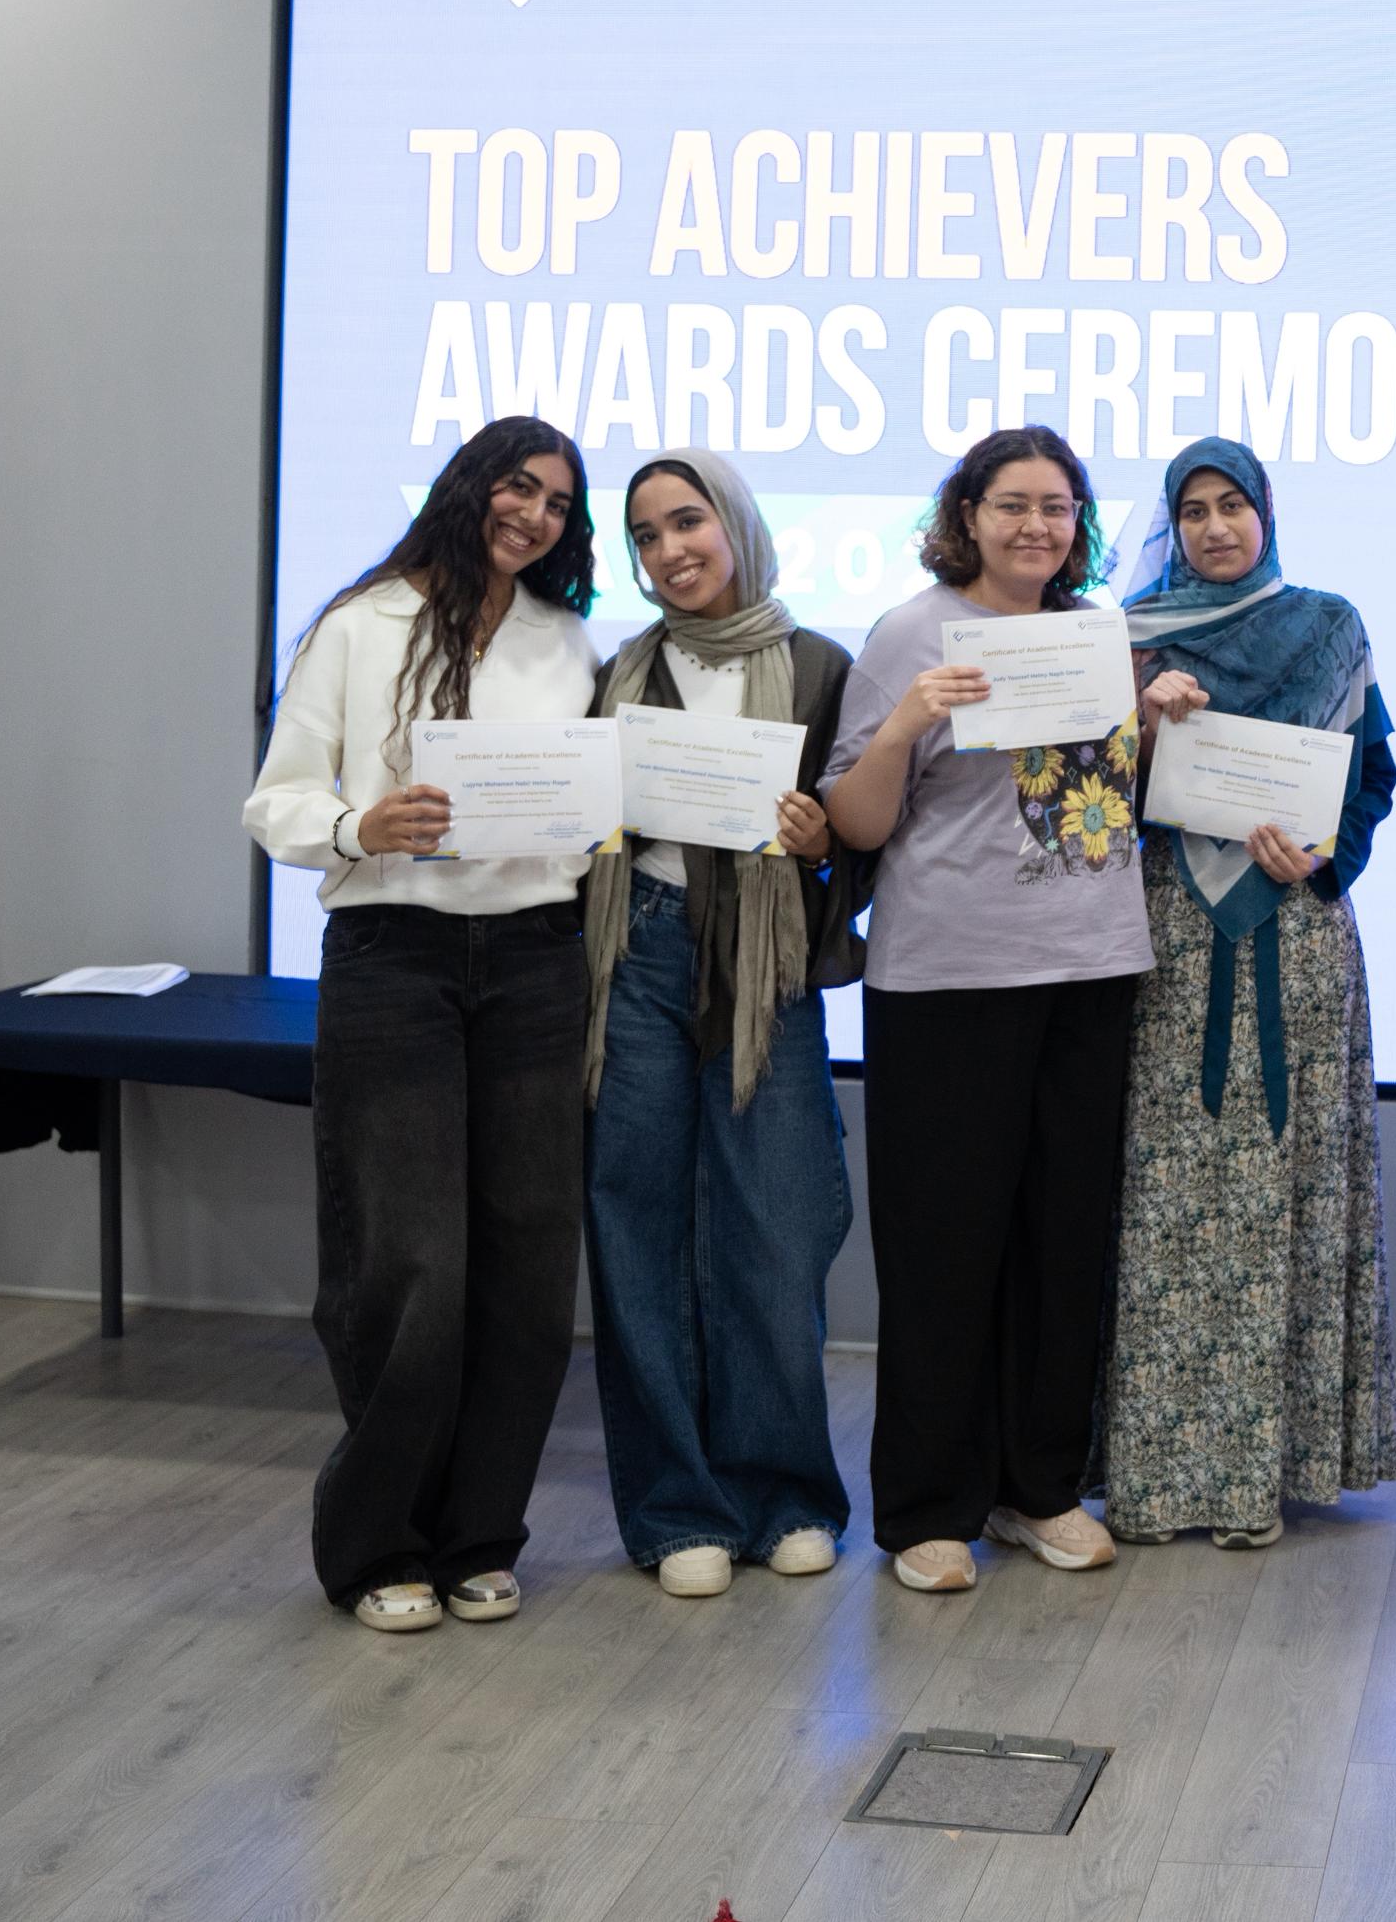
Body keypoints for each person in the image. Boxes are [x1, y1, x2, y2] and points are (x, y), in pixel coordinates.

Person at [240, 417, 600, 1636]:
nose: (534, 514)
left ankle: (479, 1536)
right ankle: (377, 1541)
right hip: (395, 957)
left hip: (538, 959)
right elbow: (277, 801)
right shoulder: (361, 624)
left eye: (558, 503)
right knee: (410, 1264)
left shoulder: (566, 639)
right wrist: (359, 826)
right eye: (518, 486)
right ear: (469, 486)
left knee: (529, 1266)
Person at [820, 425, 1148, 1594]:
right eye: (1012, 503)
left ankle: (1037, 1488)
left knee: (1062, 1241)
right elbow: (856, 821)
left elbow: (1098, 802)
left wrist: (1158, 720)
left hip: (1088, 963)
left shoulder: (1096, 631)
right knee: (942, 1247)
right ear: (965, 514)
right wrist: (906, 720)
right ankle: (925, 1505)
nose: (1035, 525)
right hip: (949, 977)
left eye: (1057, 506)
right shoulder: (911, 633)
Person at [580, 450, 867, 1601]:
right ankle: (675, 1508)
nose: (669, 550)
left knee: (777, 1226)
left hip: (768, 965)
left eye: (686, 521)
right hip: (637, 953)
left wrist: (821, 840)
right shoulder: (617, 670)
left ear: (735, 522)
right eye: (645, 535)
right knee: (637, 1221)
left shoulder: (822, 666)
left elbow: (863, 834)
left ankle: (784, 1492)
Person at [1108, 435, 1396, 1545]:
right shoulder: (1127, 641)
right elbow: (1073, 802)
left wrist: (1325, 857)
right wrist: (1137, 721)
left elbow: (1371, 775)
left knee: (1289, 1191)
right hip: (1168, 940)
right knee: (1165, 1199)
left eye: (1233, 504)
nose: (1215, 527)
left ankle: (1266, 1476)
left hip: (1297, 931)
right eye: (1192, 510)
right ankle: (1157, 1477)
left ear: (1266, 514)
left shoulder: (1328, 626)